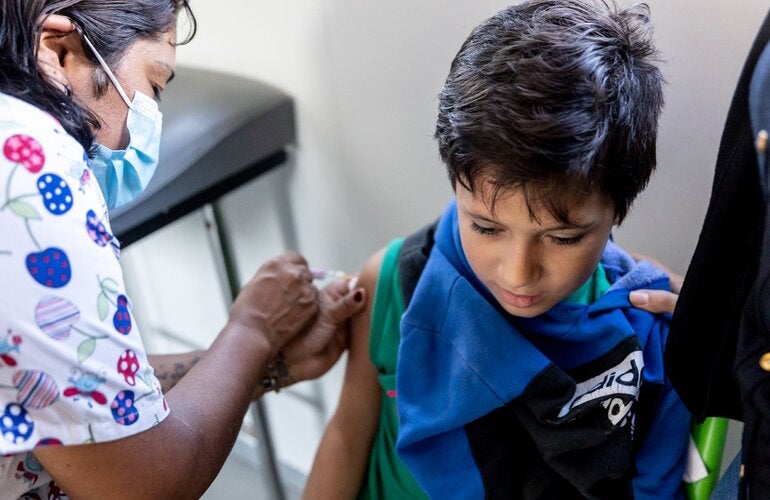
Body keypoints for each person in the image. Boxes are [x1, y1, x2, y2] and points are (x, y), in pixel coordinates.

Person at [303, 1, 691, 499]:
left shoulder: (648, 333)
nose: (517, 273)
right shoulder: (397, 281)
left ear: (618, 210)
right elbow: (346, 435)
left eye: (563, 238)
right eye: (486, 227)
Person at [0, 1, 366, 498]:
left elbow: (74, 387)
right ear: (61, 51)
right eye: (153, 85)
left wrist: (272, 362)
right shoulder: (31, 166)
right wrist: (253, 330)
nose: (145, 125)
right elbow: (144, 483)